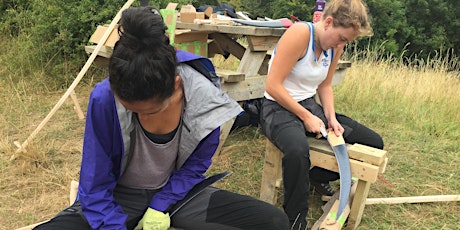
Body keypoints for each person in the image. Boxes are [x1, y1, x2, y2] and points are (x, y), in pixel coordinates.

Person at [34, 6, 289, 230]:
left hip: (177, 195)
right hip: (118, 199)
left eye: (150, 111)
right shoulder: (104, 98)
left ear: (176, 85)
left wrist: (160, 205)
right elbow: (95, 183)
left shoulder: (204, 98)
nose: (140, 117)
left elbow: (196, 165)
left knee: (272, 222)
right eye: (130, 109)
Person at [259, 0, 384, 229]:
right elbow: (272, 86)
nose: (342, 44)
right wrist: (306, 116)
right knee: (297, 150)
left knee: (373, 141)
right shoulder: (300, 34)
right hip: (277, 107)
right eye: (342, 38)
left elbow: (325, 86)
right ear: (328, 23)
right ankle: (296, 221)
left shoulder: (335, 45)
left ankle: (316, 177)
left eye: (346, 41)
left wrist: (331, 118)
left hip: (309, 104)